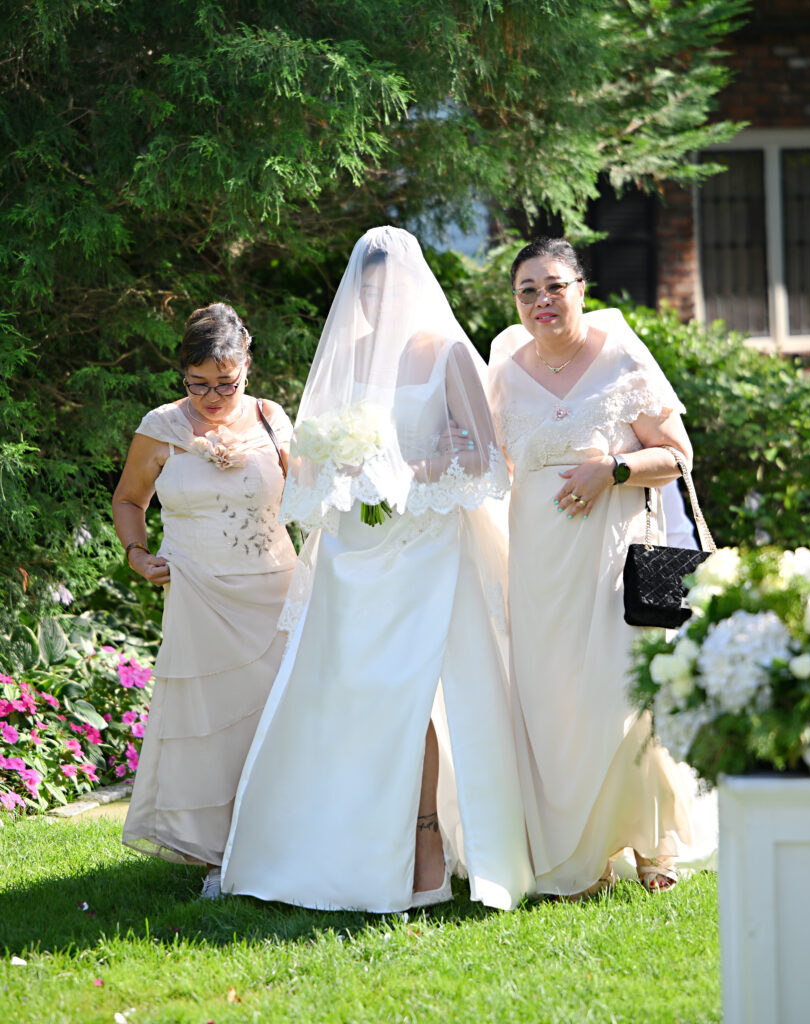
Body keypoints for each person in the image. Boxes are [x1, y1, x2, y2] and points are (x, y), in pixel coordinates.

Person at [221, 226, 534, 912]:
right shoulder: (349, 354)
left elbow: (484, 462)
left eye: (385, 284)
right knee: (343, 693)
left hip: (425, 547)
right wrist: (341, 472)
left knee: (407, 693)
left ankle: (424, 844)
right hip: (353, 548)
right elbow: (311, 458)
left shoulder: (447, 352)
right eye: (365, 287)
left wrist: (401, 471)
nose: (375, 298)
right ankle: (329, 843)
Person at [488, 237, 698, 898]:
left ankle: (650, 846)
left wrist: (609, 469)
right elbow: (487, 468)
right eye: (528, 290)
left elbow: (677, 457)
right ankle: (579, 855)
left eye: (554, 286)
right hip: (538, 567)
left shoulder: (619, 360)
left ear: (580, 288)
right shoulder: (503, 372)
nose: (541, 301)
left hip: (616, 561)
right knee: (554, 703)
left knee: (623, 697)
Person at [112, 302, 297, 899]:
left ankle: (286, 841)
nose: (213, 397)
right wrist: (138, 555)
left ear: (247, 366)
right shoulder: (162, 426)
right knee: (213, 728)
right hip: (198, 596)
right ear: (182, 374)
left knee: (279, 720)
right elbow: (129, 501)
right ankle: (220, 856)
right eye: (199, 384)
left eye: (227, 383)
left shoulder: (272, 420)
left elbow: (312, 499)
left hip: (276, 592)